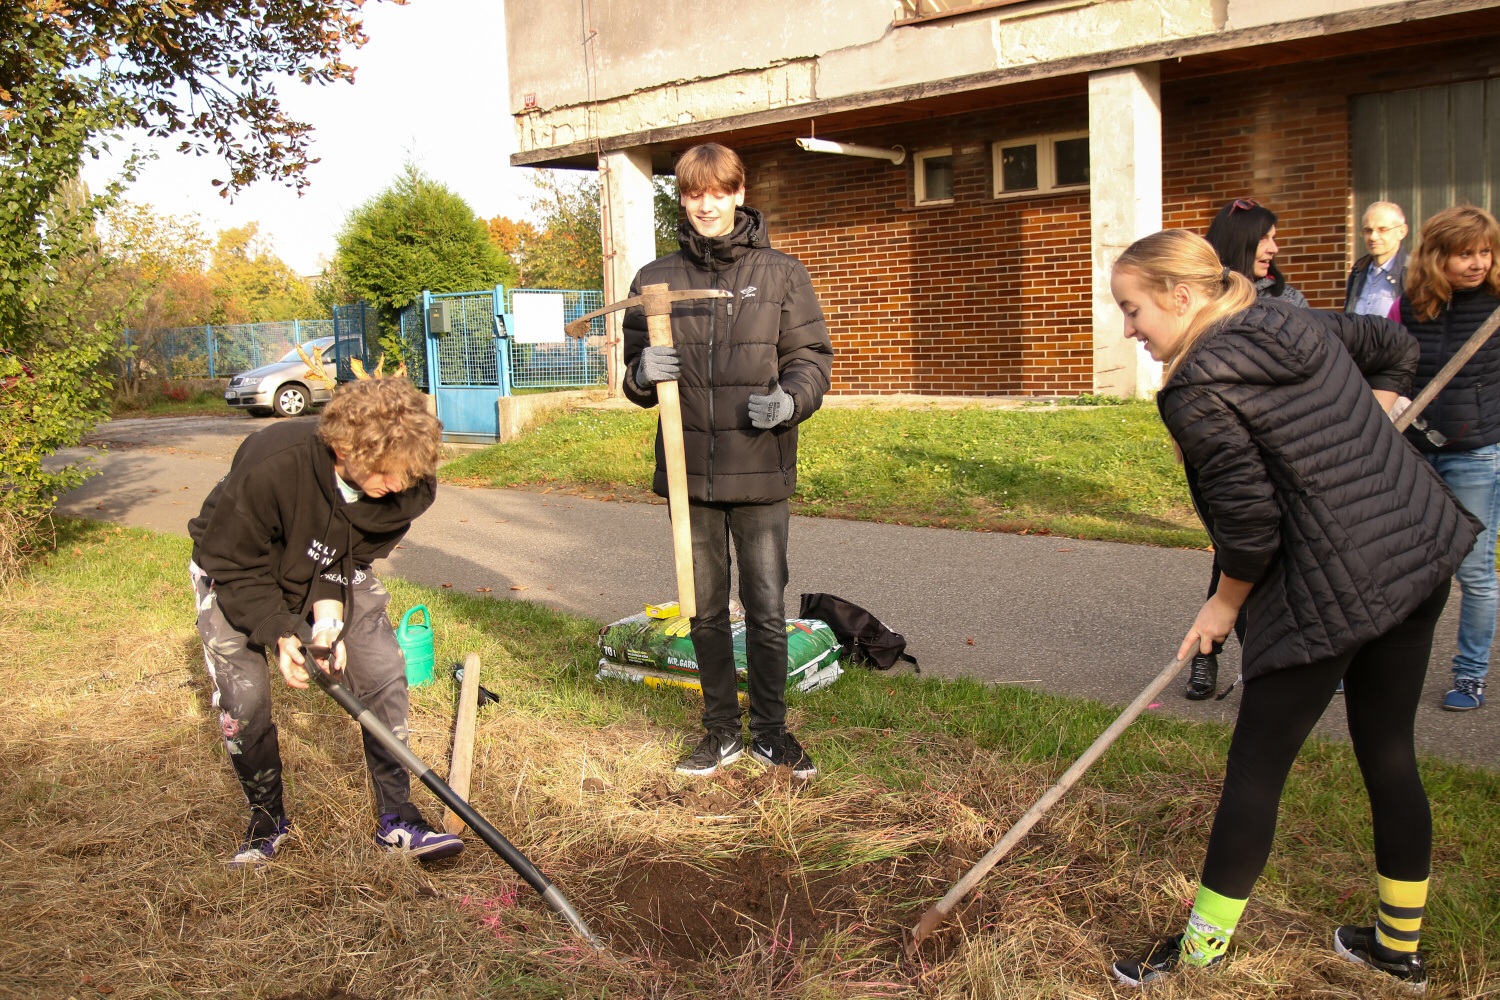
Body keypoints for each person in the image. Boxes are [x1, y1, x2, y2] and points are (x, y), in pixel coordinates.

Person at [1107, 229, 1475, 992]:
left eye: (1132, 309)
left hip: (1329, 592)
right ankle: (1396, 949)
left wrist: (1222, 605)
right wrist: (1374, 422)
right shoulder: (1285, 318)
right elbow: (1393, 347)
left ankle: (1198, 959)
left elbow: (1251, 527)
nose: (1129, 328)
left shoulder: (1195, 389)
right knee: (1389, 751)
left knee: (1256, 770)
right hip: (1414, 554)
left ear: (1182, 296)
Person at [622, 142, 834, 780]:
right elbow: (633, 376)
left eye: (718, 192)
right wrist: (641, 373)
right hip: (688, 471)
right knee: (704, 609)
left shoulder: (782, 274)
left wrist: (789, 401)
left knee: (766, 608)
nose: (706, 205)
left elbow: (810, 360)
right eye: (694, 194)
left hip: (760, 468)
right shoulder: (655, 280)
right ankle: (720, 733)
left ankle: (770, 732)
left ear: (739, 194)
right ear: (682, 199)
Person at [188, 377, 464, 866]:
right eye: (385, 472)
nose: (397, 485)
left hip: (324, 559)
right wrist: (280, 631)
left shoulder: (407, 486)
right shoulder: (274, 464)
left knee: (382, 670)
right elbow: (233, 562)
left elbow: (347, 557)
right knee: (244, 699)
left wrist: (326, 623)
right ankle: (266, 820)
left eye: (406, 474)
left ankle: (398, 819)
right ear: (343, 449)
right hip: (239, 568)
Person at [1182, 198, 1308, 699]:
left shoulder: (1288, 301)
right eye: (1266, 238)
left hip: (1279, 449)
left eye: (1275, 238)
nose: (1274, 247)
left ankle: (1271, 667)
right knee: (1234, 551)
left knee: (1269, 560)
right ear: (1241, 241)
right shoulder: (1207, 303)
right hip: (1227, 447)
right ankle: (1209, 654)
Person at [1392, 205, 1500, 712]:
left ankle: (1470, 675)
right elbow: (1389, 367)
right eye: (1465, 254)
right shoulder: (1411, 306)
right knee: (1401, 566)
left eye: (1485, 252)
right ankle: (1378, 666)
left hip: (1475, 454)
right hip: (1415, 452)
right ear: (1436, 256)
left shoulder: (1497, 305)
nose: (1478, 263)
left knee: (1474, 572)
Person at [1205, 198, 1309, 307]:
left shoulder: (1292, 301)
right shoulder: (1199, 298)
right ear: (1234, 243)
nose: (1274, 249)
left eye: (1273, 238)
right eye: (1262, 238)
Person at [1345, 201, 1410, 316]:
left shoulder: (1412, 273)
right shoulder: (1358, 272)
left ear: (1401, 232)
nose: (1373, 237)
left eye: (1382, 230)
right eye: (1368, 230)